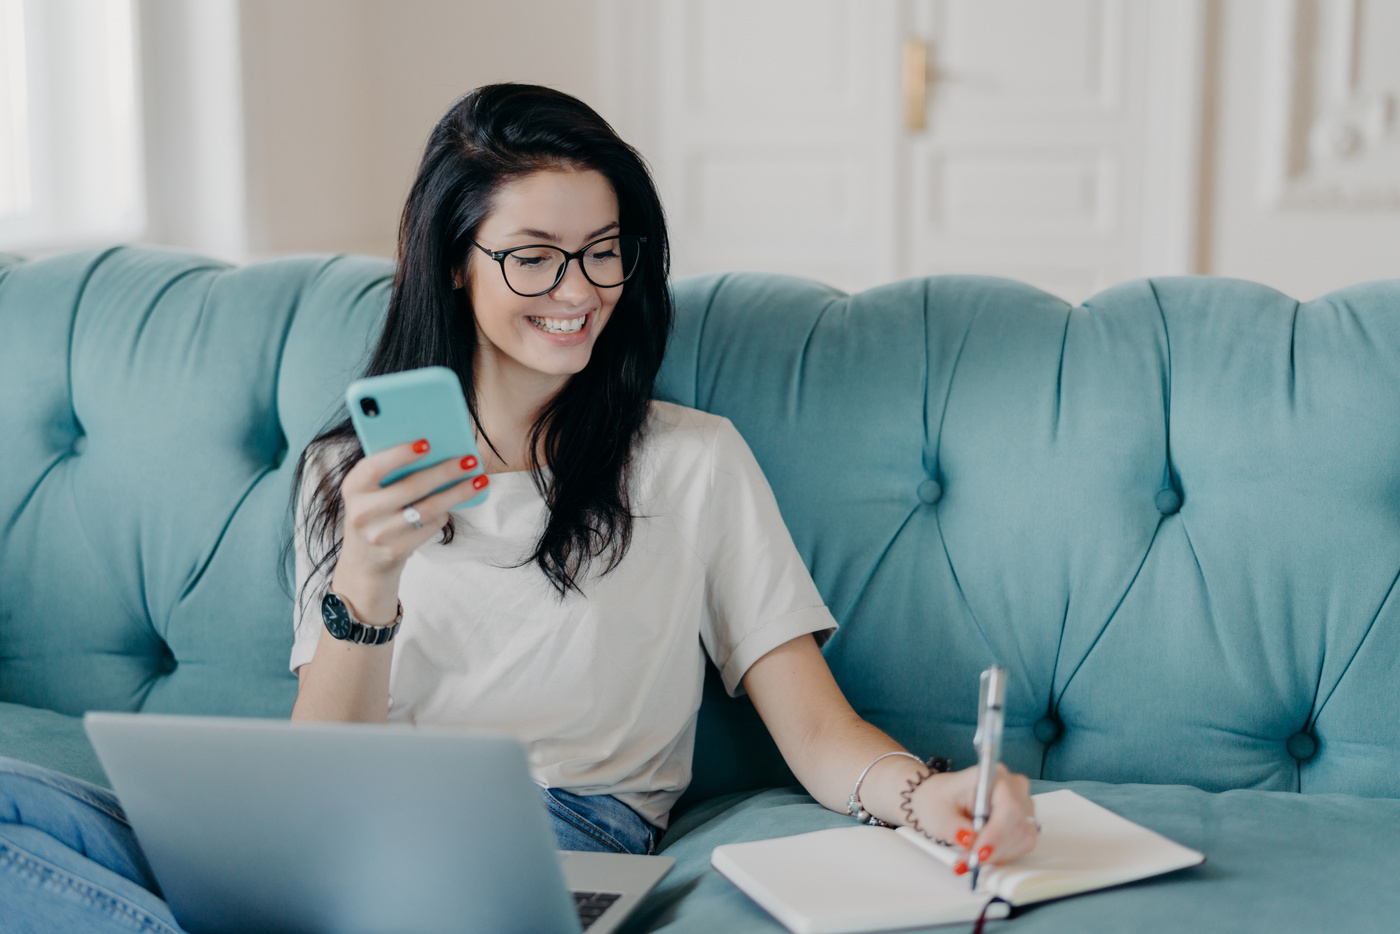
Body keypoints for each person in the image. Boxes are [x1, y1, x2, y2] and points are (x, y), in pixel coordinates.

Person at [0, 84, 1036, 932]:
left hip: (556, 828)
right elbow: (321, 765)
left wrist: (920, 798)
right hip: (349, 819)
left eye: (604, 250)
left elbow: (814, 729)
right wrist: (367, 579)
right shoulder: (352, 473)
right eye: (533, 255)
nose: (578, 289)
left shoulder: (690, 463)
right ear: (455, 262)